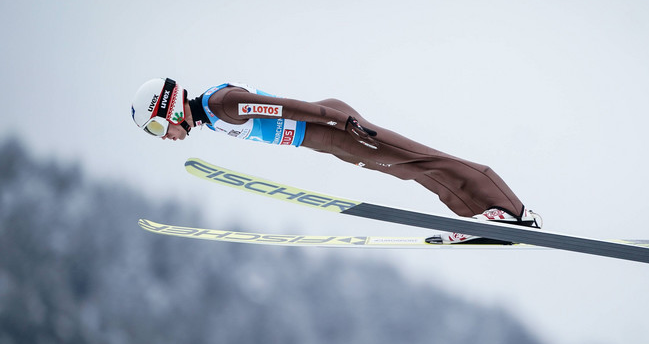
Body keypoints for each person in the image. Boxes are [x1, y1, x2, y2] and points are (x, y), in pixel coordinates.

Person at [130, 77, 540, 244]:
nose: (163, 137)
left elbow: (284, 106)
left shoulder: (221, 104)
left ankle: (512, 212)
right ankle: (481, 217)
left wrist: (343, 122)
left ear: (169, 107)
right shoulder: (212, 115)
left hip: (332, 128)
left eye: (156, 127)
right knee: (407, 170)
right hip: (324, 137)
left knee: (415, 159)